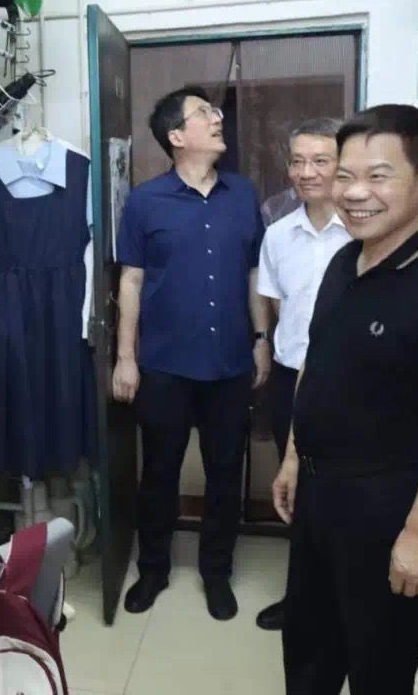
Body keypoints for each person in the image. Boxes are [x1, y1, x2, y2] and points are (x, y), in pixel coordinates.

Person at [273, 105, 418, 694]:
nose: (354, 193)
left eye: (378, 176)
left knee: (384, 669)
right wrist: (293, 456)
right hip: (319, 496)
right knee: (309, 654)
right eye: (345, 176)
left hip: (387, 510)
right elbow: (316, 363)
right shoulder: (344, 260)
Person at [113, 86, 271, 621]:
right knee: (160, 472)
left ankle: (216, 573)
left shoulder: (242, 195)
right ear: (177, 136)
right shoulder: (145, 201)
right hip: (164, 364)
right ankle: (153, 569)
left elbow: (254, 273)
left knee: (225, 474)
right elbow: (131, 280)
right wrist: (126, 356)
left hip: (229, 362)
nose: (217, 118)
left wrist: (261, 338)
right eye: (204, 113)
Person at [254, 118, 351, 632]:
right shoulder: (277, 235)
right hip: (291, 376)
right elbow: (275, 304)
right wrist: (268, 349)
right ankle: (303, 600)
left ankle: (343, 604)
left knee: (344, 494)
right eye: (298, 161)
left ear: (343, 165)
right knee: (296, 490)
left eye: (320, 161)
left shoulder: (365, 233)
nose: (306, 172)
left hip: (351, 384)